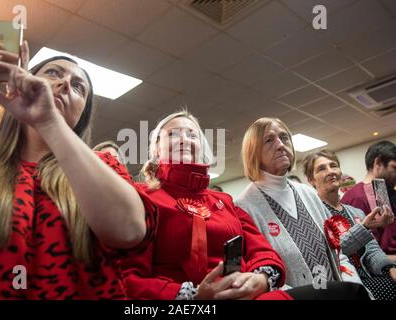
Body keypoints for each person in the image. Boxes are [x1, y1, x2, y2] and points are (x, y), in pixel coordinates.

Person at [0, 39, 154, 299]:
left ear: (82, 116)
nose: (65, 83)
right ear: (19, 83)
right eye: (53, 73)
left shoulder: (103, 166)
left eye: (79, 87)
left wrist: (49, 123)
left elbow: (129, 231)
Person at [120, 110, 292, 300]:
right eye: (173, 134)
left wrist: (261, 279)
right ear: (156, 150)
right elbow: (127, 277)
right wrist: (192, 296)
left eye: (192, 134)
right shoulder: (141, 197)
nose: (185, 139)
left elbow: (261, 250)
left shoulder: (225, 202)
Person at [235, 117, 367, 297]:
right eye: (269, 140)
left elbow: (338, 252)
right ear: (253, 153)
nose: (281, 145)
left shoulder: (308, 193)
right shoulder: (244, 207)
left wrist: (352, 288)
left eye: (284, 137)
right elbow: (261, 278)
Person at [303, 149, 396, 300]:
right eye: (322, 168)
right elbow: (332, 255)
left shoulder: (355, 212)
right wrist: (364, 228)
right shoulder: (312, 214)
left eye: (333, 166)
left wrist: (390, 268)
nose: (330, 171)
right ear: (311, 180)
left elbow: (372, 250)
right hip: (343, 282)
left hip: (370, 275)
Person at [342, 141, 396, 261]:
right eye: (394, 167)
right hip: (381, 269)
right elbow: (363, 253)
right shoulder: (355, 197)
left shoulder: (388, 192)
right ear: (378, 163)